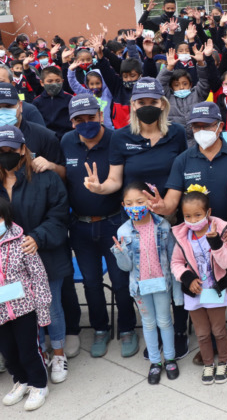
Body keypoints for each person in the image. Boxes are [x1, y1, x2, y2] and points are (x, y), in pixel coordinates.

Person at [84, 77, 190, 358]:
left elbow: (181, 174)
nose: (147, 107)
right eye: (141, 102)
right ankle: (154, 335)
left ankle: (179, 332)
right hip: (138, 222)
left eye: (152, 102)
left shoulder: (176, 133)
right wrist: (99, 188)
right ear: (132, 106)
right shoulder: (121, 137)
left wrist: (168, 206)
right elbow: (115, 180)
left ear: (162, 104)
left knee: (175, 273)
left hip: (171, 217)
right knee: (146, 276)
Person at [145, 102, 227, 364]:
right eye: (196, 126)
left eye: (207, 126)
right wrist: (161, 207)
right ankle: (210, 343)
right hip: (195, 246)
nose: (202, 130)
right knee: (204, 290)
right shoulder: (184, 160)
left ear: (220, 127)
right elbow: (171, 202)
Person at [62, 95, 137, 358]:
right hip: (80, 226)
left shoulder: (116, 140)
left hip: (114, 223)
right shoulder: (66, 142)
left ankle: (127, 328)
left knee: (120, 280)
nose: (86, 123)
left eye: (91, 117)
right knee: (91, 283)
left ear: (100, 115)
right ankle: (100, 329)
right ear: (72, 122)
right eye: (79, 120)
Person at [0, 124, 70, 384]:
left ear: (23, 149)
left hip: (46, 251)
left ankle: (60, 353)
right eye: (1, 150)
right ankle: (36, 355)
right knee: (23, 313)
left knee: (50, 306)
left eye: (11, 149)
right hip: (9, 263)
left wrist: (37, 237)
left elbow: (59, 214)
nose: (6, 154)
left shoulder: (45, 177)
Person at [111, 182, 181, 385]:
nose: (135, 207)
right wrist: (120, 254)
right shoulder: (123, 231)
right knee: (148, 324)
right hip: (140, 287)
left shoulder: (164, 226)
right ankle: (154, 362)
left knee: (165, 321)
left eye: (140, 202)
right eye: (130, 203)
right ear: (124, 205)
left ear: (150, 202)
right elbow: (126, 267)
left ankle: (169, 358)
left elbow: (173, 257)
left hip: (161, 284)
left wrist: (176, 292)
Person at [171, 187, 227, 385]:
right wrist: (187, 278)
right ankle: (208, 364)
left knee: (219, 330)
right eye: (187, 216)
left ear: (208, 213)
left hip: (214, 292)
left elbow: (226, 263)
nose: (192, 220)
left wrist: (215, 242)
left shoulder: (220, 233)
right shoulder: (183, 238)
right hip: (194, 294)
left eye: (197, 215)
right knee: (202, 333)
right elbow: (176, 263)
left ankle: (223, 361)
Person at [0, 198, 53, 411]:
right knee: (8, 352)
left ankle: (38, 384)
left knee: (28, 350)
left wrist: (42, 309)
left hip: (25, 309)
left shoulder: (22, 242)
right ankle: (20, 381)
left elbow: (38, 276)